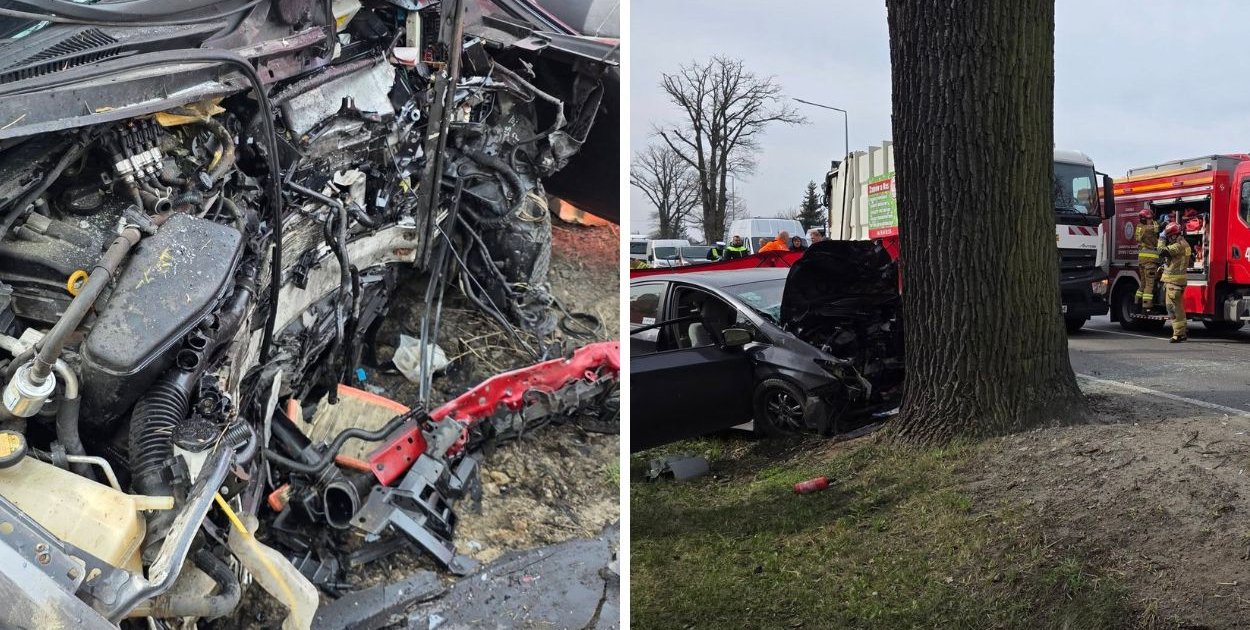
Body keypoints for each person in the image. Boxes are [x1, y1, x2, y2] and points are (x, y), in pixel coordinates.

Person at [1159, 222, 1191, 343]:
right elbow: (1178, 261)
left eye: (1169, 236)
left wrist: (1161, 238)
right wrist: (1166, 266)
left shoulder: (1177, 246)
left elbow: (1161, 251)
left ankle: (1178, 334)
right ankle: (1182, 332)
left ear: (1174, 235)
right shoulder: (1186, 245)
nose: (1168, 239)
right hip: (1179, 281)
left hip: (1173, 283)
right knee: (1179, 308)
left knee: (1172, 308)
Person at [1134, 209, 1159, 310]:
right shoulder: (1148, 230)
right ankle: (1147, 307)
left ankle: (1136, 303)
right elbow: (1155, 229)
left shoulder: (1139, 227)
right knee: (1149, 285)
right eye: (1149, 218)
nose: (1151, 220)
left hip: (1142, 261)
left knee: (1143, 284)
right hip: (1150, 262)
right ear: (1144, 219)